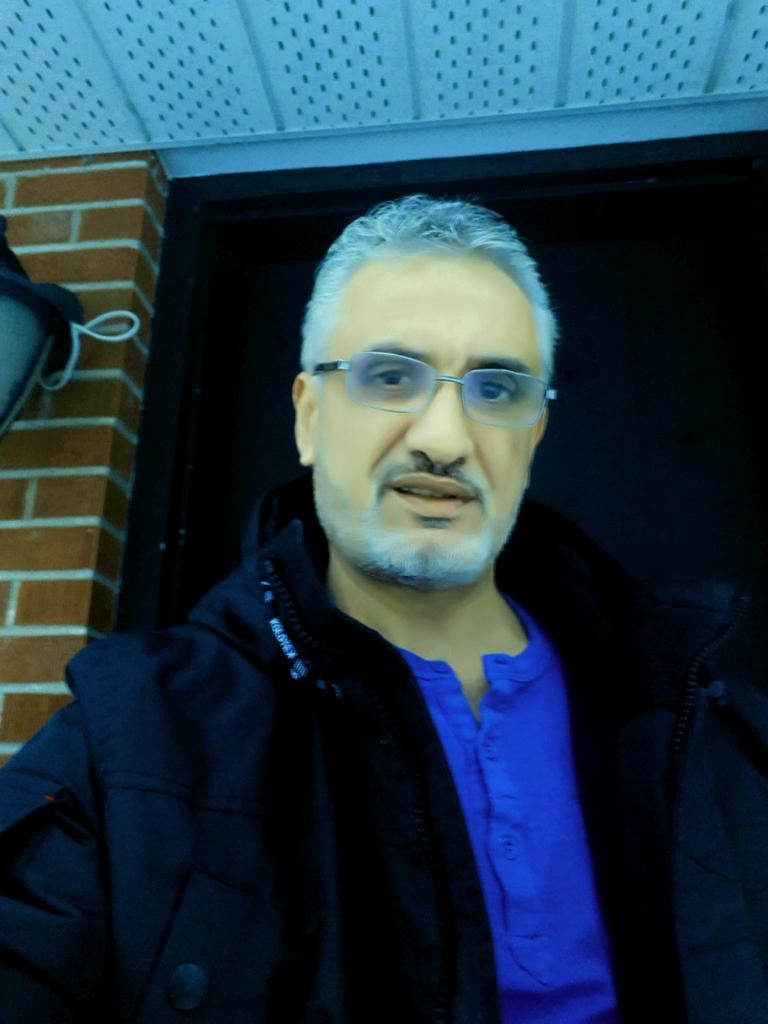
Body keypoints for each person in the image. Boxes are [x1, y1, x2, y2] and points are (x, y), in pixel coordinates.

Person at [0, 194, 766, 1024]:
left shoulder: (721, 737)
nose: (446, 436)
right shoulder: (128, 743)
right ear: (308, 415)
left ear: (535, 433)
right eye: (391, 376)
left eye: (496, 387)